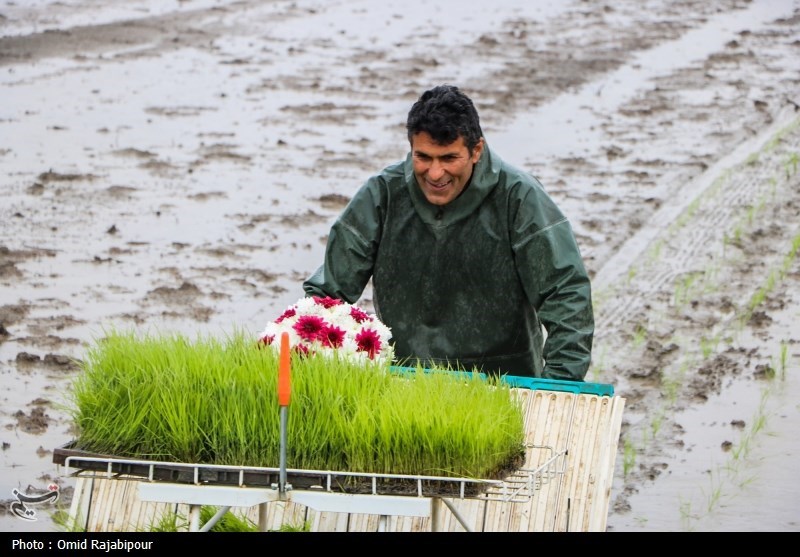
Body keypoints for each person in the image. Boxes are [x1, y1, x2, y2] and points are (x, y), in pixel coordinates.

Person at [303, 84, 593, 381]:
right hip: (402, 379)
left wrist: (559, 383)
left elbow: (565, 294)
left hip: (503, 382)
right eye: (424, 157)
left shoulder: (518, 198)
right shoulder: (383, 194)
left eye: (449, 158)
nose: (435, 173)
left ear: (476, 150)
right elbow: (329, 294)